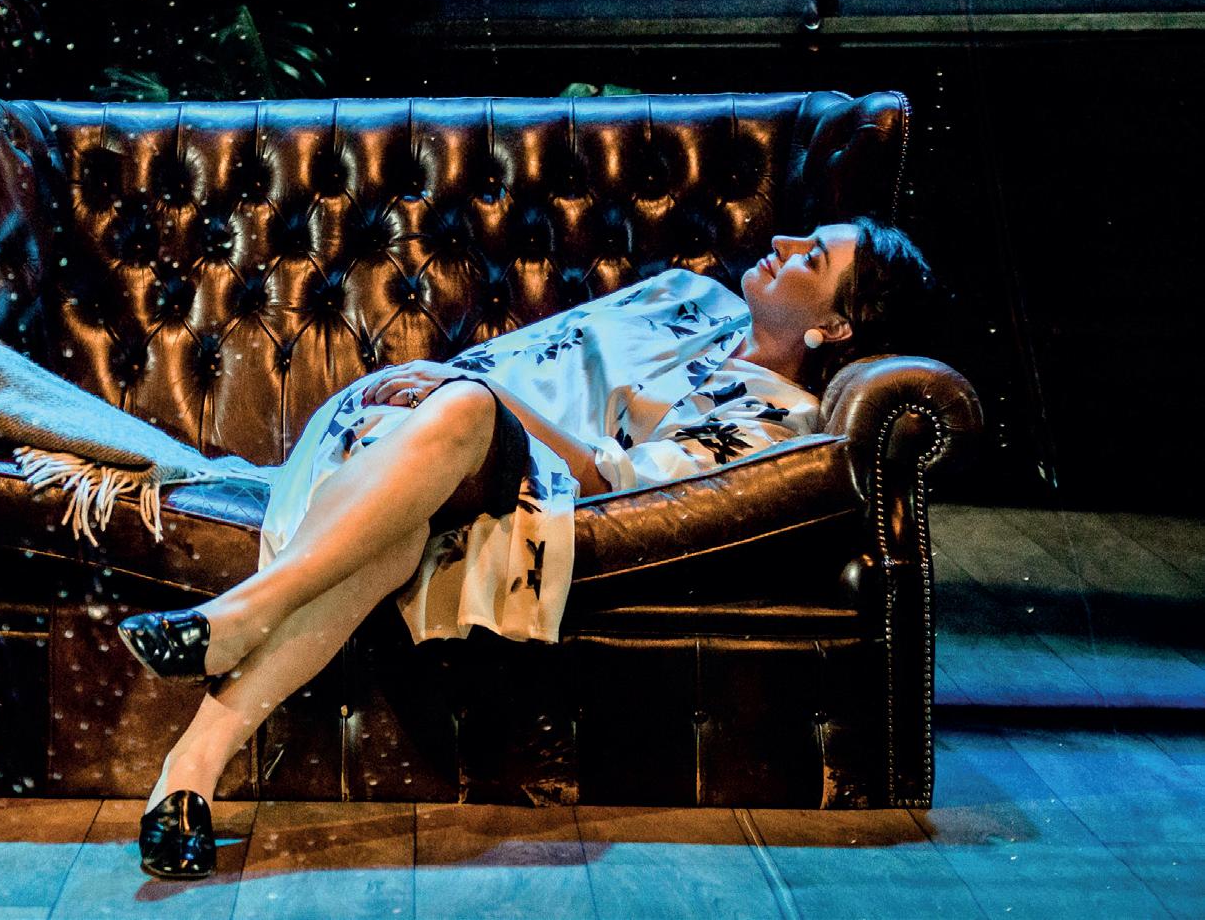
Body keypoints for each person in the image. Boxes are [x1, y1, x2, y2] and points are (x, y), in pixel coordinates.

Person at [116, 218, 936, 879]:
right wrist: (456, 390)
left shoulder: (772, 421)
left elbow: (612, 480)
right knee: (394, 538)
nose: (784, 242)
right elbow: (538, 355)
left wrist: (475, 395)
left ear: (835, 325)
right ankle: (201, 726)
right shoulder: (690, 296)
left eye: (812, 256)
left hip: (517, 471)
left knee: (464, 419)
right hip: (410, 433)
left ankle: (212, 695)